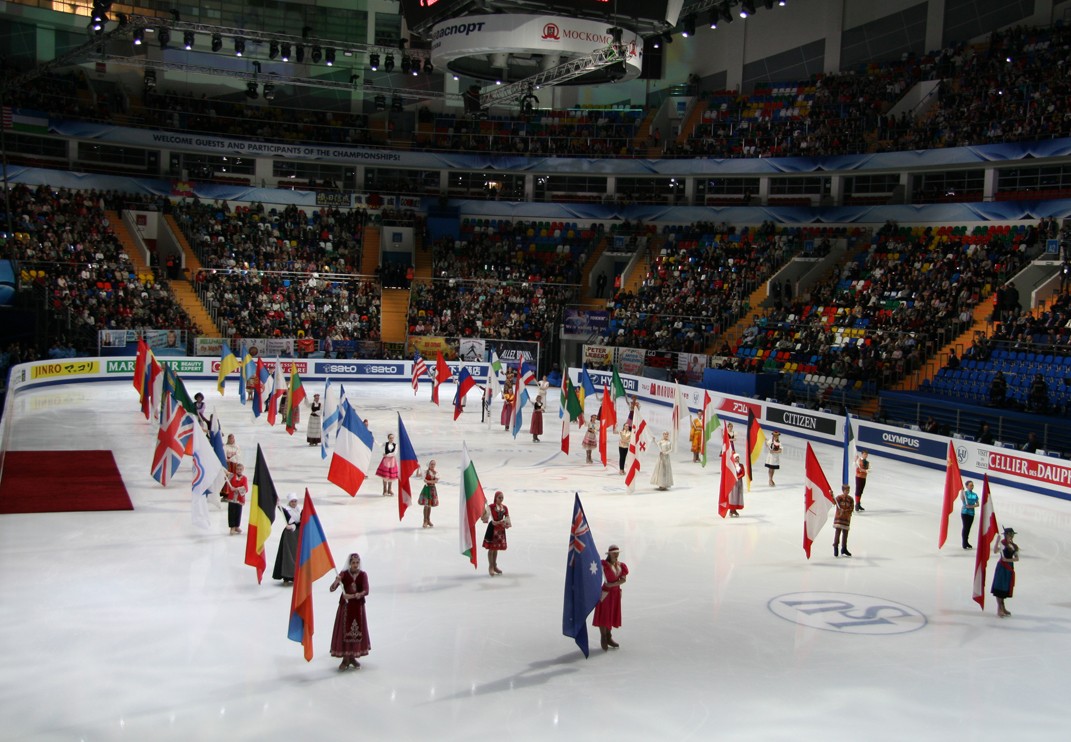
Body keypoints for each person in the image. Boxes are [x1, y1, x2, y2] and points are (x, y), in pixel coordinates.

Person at [330, 553, 370, 670]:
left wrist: (354, 596)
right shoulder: (344, 574)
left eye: (357, 563)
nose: (355, 565)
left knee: (356, 632)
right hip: (345, 609)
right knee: (344, 632)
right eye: (353, 563)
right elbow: (332, 589)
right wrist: (337, 581)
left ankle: (352, 656)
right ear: (349, 563)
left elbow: (366, 590)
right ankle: (345, 658)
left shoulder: (363, 575)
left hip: (358, 608)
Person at [592, 545, 628, 651]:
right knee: (604, 614)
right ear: (609, 554)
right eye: (614, 552)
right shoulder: (603, 565)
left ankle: (608, 636)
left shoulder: (621, 565)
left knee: (611, 614)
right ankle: (603, 637)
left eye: (617, 552)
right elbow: (593, 566)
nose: (616, 554)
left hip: (615, 593)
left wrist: (612, 585)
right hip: (606, 593)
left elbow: (623, 579)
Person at [991, 527, 1020, 618]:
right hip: (1002, 568)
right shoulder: (1002, 544)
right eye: (1010, 534)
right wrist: (997, 541)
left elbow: (1017, 558)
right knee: (999, 587)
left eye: (1012, 534)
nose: (1011, 536)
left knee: (1004, 588)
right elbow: (995, 551)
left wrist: (1007, 559)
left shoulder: (1014, 546)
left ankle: (1002, 607)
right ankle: (999, 608)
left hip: (1008, 568)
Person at [273, 493, 300, 583]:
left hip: (297, 535)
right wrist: (278, 504)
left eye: (295, 501)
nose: (293, 503)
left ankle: (296, 575)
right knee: (288, 555)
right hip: (289, 536)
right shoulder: (287, 510)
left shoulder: (298, 510)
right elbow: (282, 510)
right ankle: (287, 576)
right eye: (292, 501)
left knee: (296, 555)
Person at [482, 491, 510, 576]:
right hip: (493, 528)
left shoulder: (504, 507)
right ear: (496, 498)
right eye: (499, 498)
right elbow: (485, 515)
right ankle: (490, 566)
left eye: (502, 498)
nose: (501, 499)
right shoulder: (491, 506)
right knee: (491, 549)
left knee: (496, 548)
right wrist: (484, 506)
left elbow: (507, 517)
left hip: (500, 529)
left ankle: (494, 565)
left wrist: (506, 523)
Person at [223, 463, 248, 535]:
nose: (239, 471)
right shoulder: (232, 476)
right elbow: (226, 473)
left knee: (238, 512)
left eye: (240, 469)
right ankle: (232, 527)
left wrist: (236, 489)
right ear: (235, 470)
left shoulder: (244, 478)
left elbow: (245, 488)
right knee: (231, 512)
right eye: (237, 469)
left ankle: (237, 526)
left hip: (239, 499)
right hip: (232, 498)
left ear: (243, 470)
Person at [833, 484, 854, 557]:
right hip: (839, 518)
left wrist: (845, 511)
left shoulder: (850, 499)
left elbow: (851, 508)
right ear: (843, 490)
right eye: (846, 490)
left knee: (845, 534)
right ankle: (835, 547)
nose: (847, 492)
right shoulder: (839, 498)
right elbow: (833, 502)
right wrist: (831, 495)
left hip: (846, 519)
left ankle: (844, 548)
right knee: (837, 532)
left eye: (848, 490)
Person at [418, 460, 439, 528]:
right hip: (427, 489)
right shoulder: (426, 472)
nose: (433, 466)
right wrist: (418, 468)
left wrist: (428, 481)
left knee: (429, 505)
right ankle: (425, 520)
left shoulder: (435, 472)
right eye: (431, 464)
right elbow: (419, 476)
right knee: (426, 505)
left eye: (434, 464)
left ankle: (428, 520)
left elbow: (436, 480)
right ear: (429, 465)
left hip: (432, 489)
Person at [960, 480, 979, 550]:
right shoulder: (965, 493)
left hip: (971, 513)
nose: (972, 486)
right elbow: (962, 499)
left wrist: (971, 506)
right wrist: (961, 491)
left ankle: (966, 541)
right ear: (967, 486)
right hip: (965, 512)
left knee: (968, 528)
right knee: (965, 527)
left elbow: (977, 504)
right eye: (970, 485)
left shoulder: (975, 494)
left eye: (972, 485)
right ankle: (964, 542)